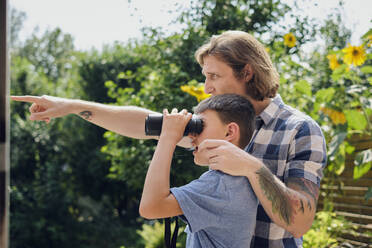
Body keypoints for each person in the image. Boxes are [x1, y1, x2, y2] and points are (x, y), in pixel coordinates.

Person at [11, 30, 327, 247]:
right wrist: (73, 106)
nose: (207, 88)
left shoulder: (300, 130)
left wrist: (252, 168)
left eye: (214, 76)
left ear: (246, 72)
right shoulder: (213, 122)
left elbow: (299, 222)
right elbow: (143, 122)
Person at [140, 94, 257, 247]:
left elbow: (151, 207)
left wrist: (168, 137)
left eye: (200, 125)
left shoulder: (221, 186)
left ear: (229, 132)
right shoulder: (237, 180)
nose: (191, 135)